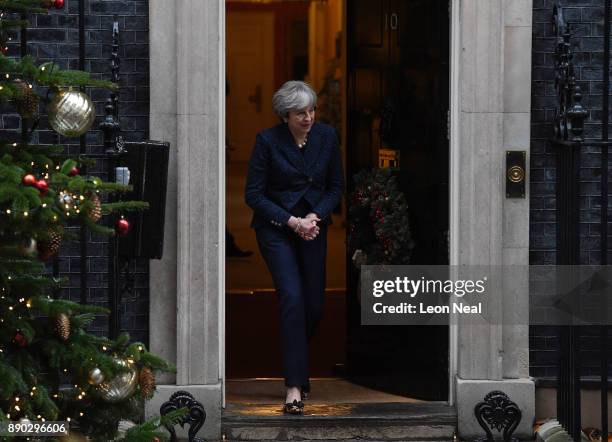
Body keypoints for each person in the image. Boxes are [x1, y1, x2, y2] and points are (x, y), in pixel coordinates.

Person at [245, 80, 344, 415]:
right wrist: (292, 222)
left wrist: (315, 216)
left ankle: (297, 365)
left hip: (313, 226)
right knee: (293, 297)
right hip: (277, 228)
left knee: (315, 304)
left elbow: (336, 186)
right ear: (285, 114)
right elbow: (254, 195)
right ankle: (293, 387)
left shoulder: (327, 137)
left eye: (312, 110)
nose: (308, 118)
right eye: (301, 113)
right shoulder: (267, 141)